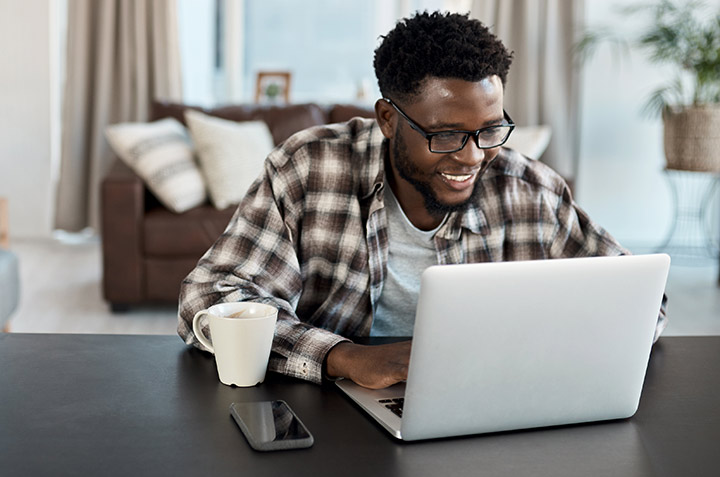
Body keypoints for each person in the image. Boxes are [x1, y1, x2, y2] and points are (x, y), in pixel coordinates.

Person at [178, 11, 667, 389]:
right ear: (388, 119)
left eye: (490, 130)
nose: (473, 157)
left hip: (490, 401)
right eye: (448, 135)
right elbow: (210, 297)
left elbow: (642, 302)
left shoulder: (530, 190)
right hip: (336, 406)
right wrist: (343, 357)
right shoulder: (309, 167)